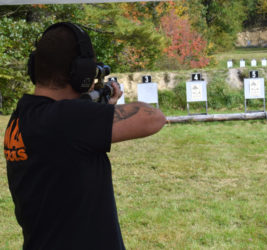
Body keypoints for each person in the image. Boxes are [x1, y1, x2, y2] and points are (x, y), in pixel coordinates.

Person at [4, 22, 166, 250]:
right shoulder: (67, 119)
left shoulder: (22, 116)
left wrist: (97, 106)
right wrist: (96, 106)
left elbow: (66, 137)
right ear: (80, 73)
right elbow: (153, 117)